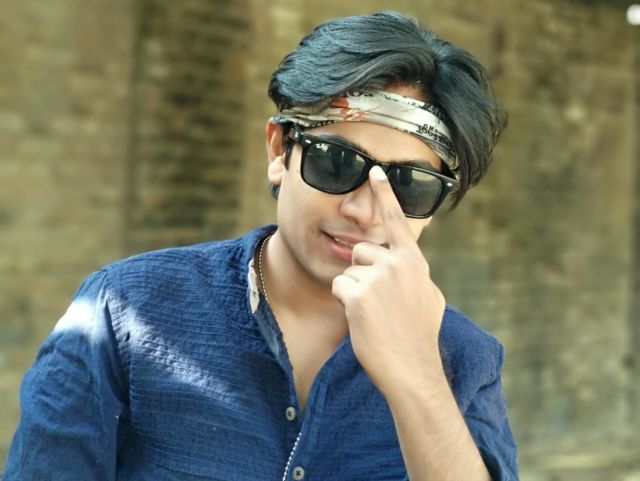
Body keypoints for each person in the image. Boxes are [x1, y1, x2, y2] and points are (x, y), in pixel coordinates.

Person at [3, 10, 519, 481]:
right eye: (336, 161)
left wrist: (419, 379)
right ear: (279, 150)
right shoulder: (123, 312)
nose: (364, 211)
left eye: (410, 185)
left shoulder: (464, 357)